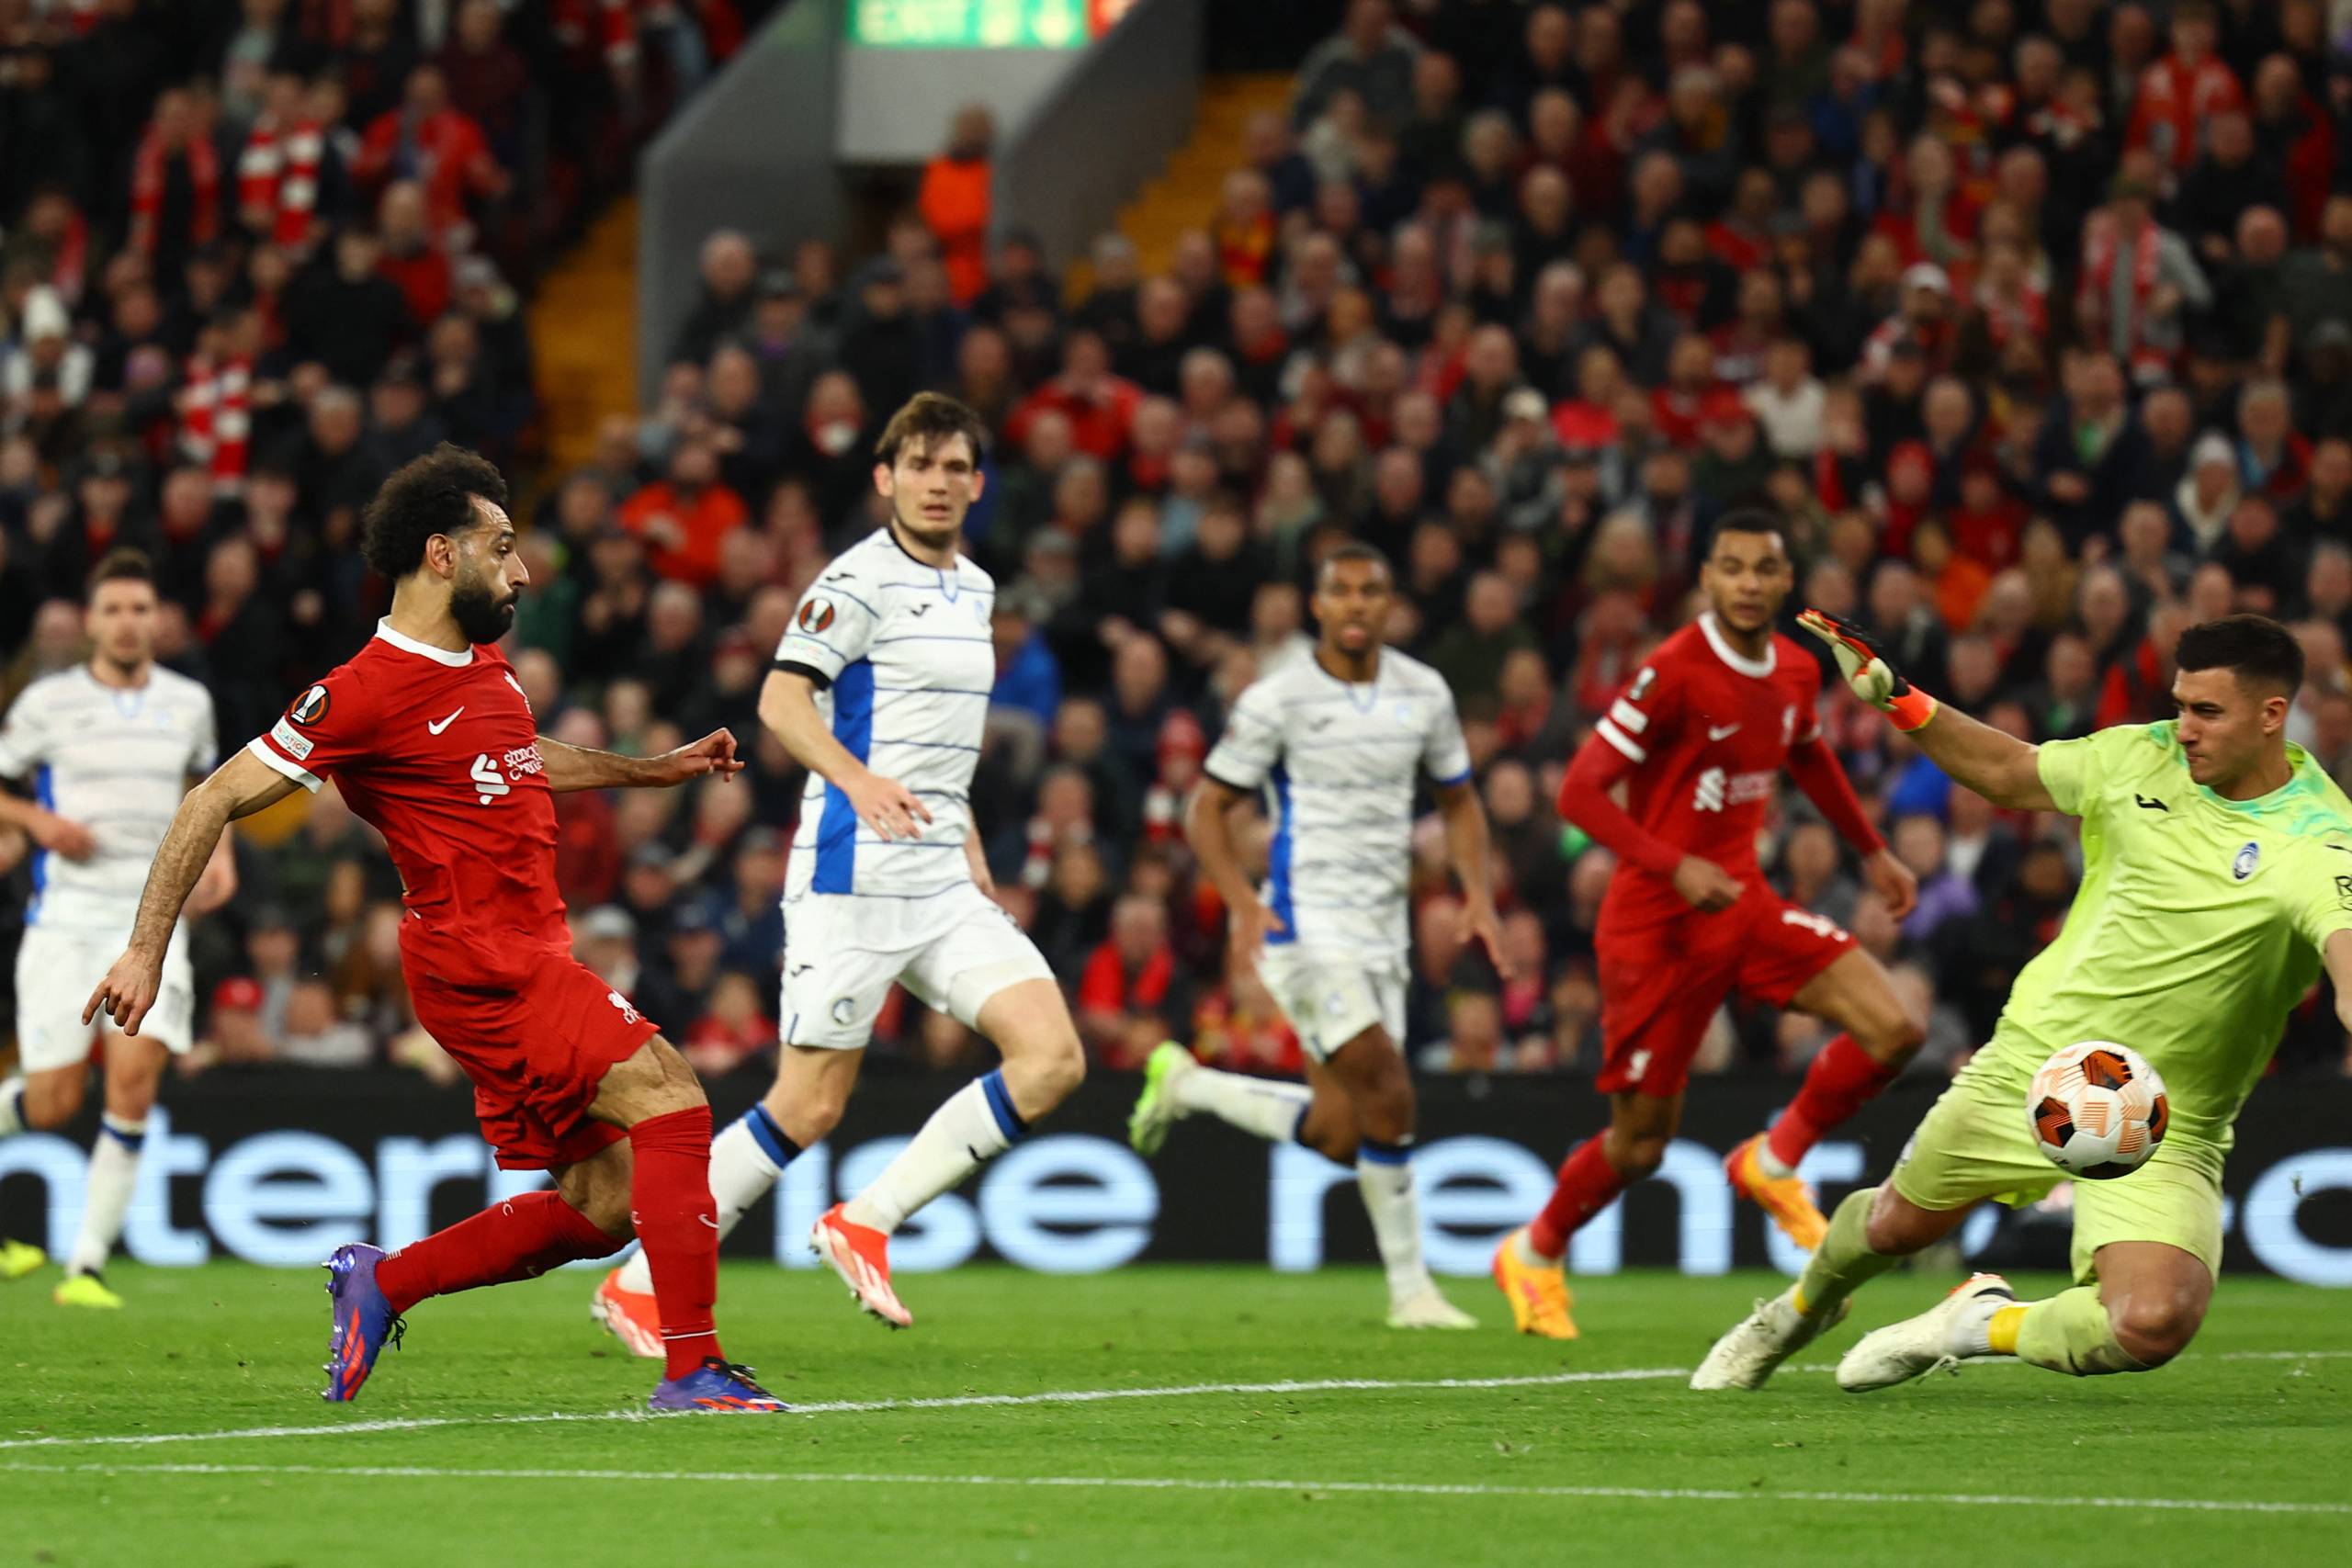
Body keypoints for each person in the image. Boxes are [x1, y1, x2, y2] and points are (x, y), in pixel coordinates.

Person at [84, 446, 782, 1416]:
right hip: (482, 962)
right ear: (440, 556)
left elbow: (513, 756)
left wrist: (645, 771)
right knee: (674, 1098)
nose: (525, 570)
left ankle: (388, 1282)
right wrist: (144, 949)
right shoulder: (361, 693)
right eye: (503, 547)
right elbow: (211, 799)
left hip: (526, 950)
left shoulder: (480, 663)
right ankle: (692, 1370)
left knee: (602, 1206)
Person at [1694, 612, 2352, 1393]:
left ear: (2272, 714)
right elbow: (2010, 772)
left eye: (2207, 712)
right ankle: (1796, 1312)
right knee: (1892, 1227)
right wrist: (1899, 698)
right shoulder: (2138, 757)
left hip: (2164, 1121)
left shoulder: (2321, 837)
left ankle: (1978, 1321)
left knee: (2151, 1323)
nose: (2184, 729)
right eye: (2180, 705)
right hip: (2033, 1063)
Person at [594, 393, 1081, 1343]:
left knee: (1052, 1056)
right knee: (806, 1105)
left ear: (976, 485)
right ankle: (641, 1281)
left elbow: (943, 741)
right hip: (849, 880)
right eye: (920, 465)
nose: (937, 483)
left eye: (954, 467)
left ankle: (867, 1218)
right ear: (885, 478)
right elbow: (780, 702)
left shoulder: (976, 590)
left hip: (939, 878)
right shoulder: (854, 582)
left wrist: (968, 833)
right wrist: (857, 781)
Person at [1490, 512, 1926, 1340]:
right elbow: (1579, 792)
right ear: (1707, 579)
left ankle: (1772, 1159)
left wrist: (1870, 850)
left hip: (1745, 906)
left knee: (1895, 1028)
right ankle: (1534, 1250)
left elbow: (1807, 754)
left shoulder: (1798, 670)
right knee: (1642, 1144)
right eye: (1733, 568)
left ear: (1786, 579)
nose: (1749, 584)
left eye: (1765, 568)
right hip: (1657, 928)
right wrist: (1672, 863)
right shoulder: (1673, 672)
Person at [1125, 542, 1501, 1329]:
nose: (1358, 604)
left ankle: (1190, 1084)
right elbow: (1207, 808)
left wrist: (1476, 891)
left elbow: (1460, 799)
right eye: (1343, 591)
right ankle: (1413, 1293)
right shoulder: (1279, 698)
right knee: (1391, 1088)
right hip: (1305, 924)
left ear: (1390, 602)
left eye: (1373, 590)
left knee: (1343, 1132)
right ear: (1318, 605)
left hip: (1382, 930)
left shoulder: (1423, 692)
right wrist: (1239, 902)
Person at [0, 550, 235, 1305]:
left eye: (141, 609)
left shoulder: (189, 702)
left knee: (133, 1083)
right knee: (52, 1101)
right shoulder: (46, 703)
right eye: (114, 610)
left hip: (152, 922)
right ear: (92, 621)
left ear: (157, 620)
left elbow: (212, 793)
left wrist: (220, 854)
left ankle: (87, 1266)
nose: (129, 623)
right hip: (65, 917)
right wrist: (36, 818)